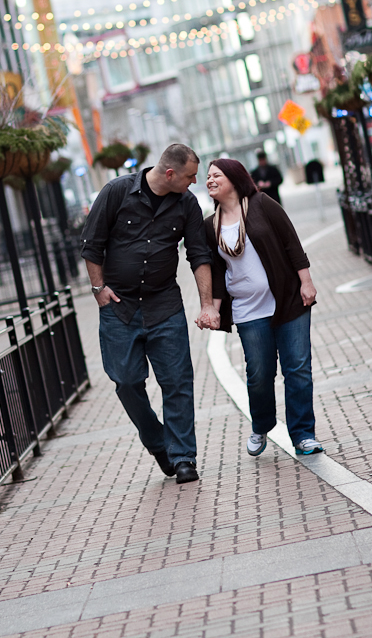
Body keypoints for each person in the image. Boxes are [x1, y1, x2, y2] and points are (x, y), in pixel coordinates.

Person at [81, 143, 220, 484]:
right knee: (126, 382)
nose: (195, 182)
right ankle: (158, 443)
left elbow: (199, 255)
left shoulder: (186, 204)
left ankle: (184, 457)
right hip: (118, 307)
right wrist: (99, 289)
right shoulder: (116, 192)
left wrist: (206, 304)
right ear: (170, 173)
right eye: (190, 176)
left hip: (164, 306)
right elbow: (91, 244)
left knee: (177, 383)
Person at [200, 158, 323, 457]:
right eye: (207, 176)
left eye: (216, 175)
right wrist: (212, 309)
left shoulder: (261, 204)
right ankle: (262, 425)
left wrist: (306, 282)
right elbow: (217, 273)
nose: (210, 180)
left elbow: (291, 243)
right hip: (247, 310)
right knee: (259, 374)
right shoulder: (209, 224)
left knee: (297, 369)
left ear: (234, 178)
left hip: (287, 301)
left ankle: (303, 434)